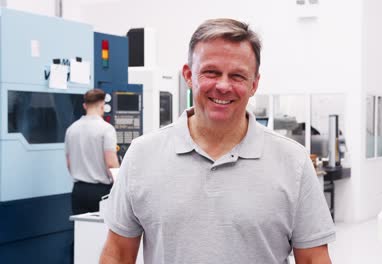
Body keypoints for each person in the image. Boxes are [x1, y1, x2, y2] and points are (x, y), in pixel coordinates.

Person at [100, 18, 335, 264]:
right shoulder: (142, 155)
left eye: (237, 76)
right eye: (211, 72)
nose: (223, 86)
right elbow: (117, 252)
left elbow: (313, 259)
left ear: (254, 84)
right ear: (189, 76)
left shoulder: (293, 162)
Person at [65, 88, 119, 215]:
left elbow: (69, 163)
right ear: (102, 105)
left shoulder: (71, 129)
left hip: (78, 191)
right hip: (101, 192)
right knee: (101, 232)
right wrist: (119, 187)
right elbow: (111, 164)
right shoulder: (106, 129)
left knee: (81, 231)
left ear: (85, 106)